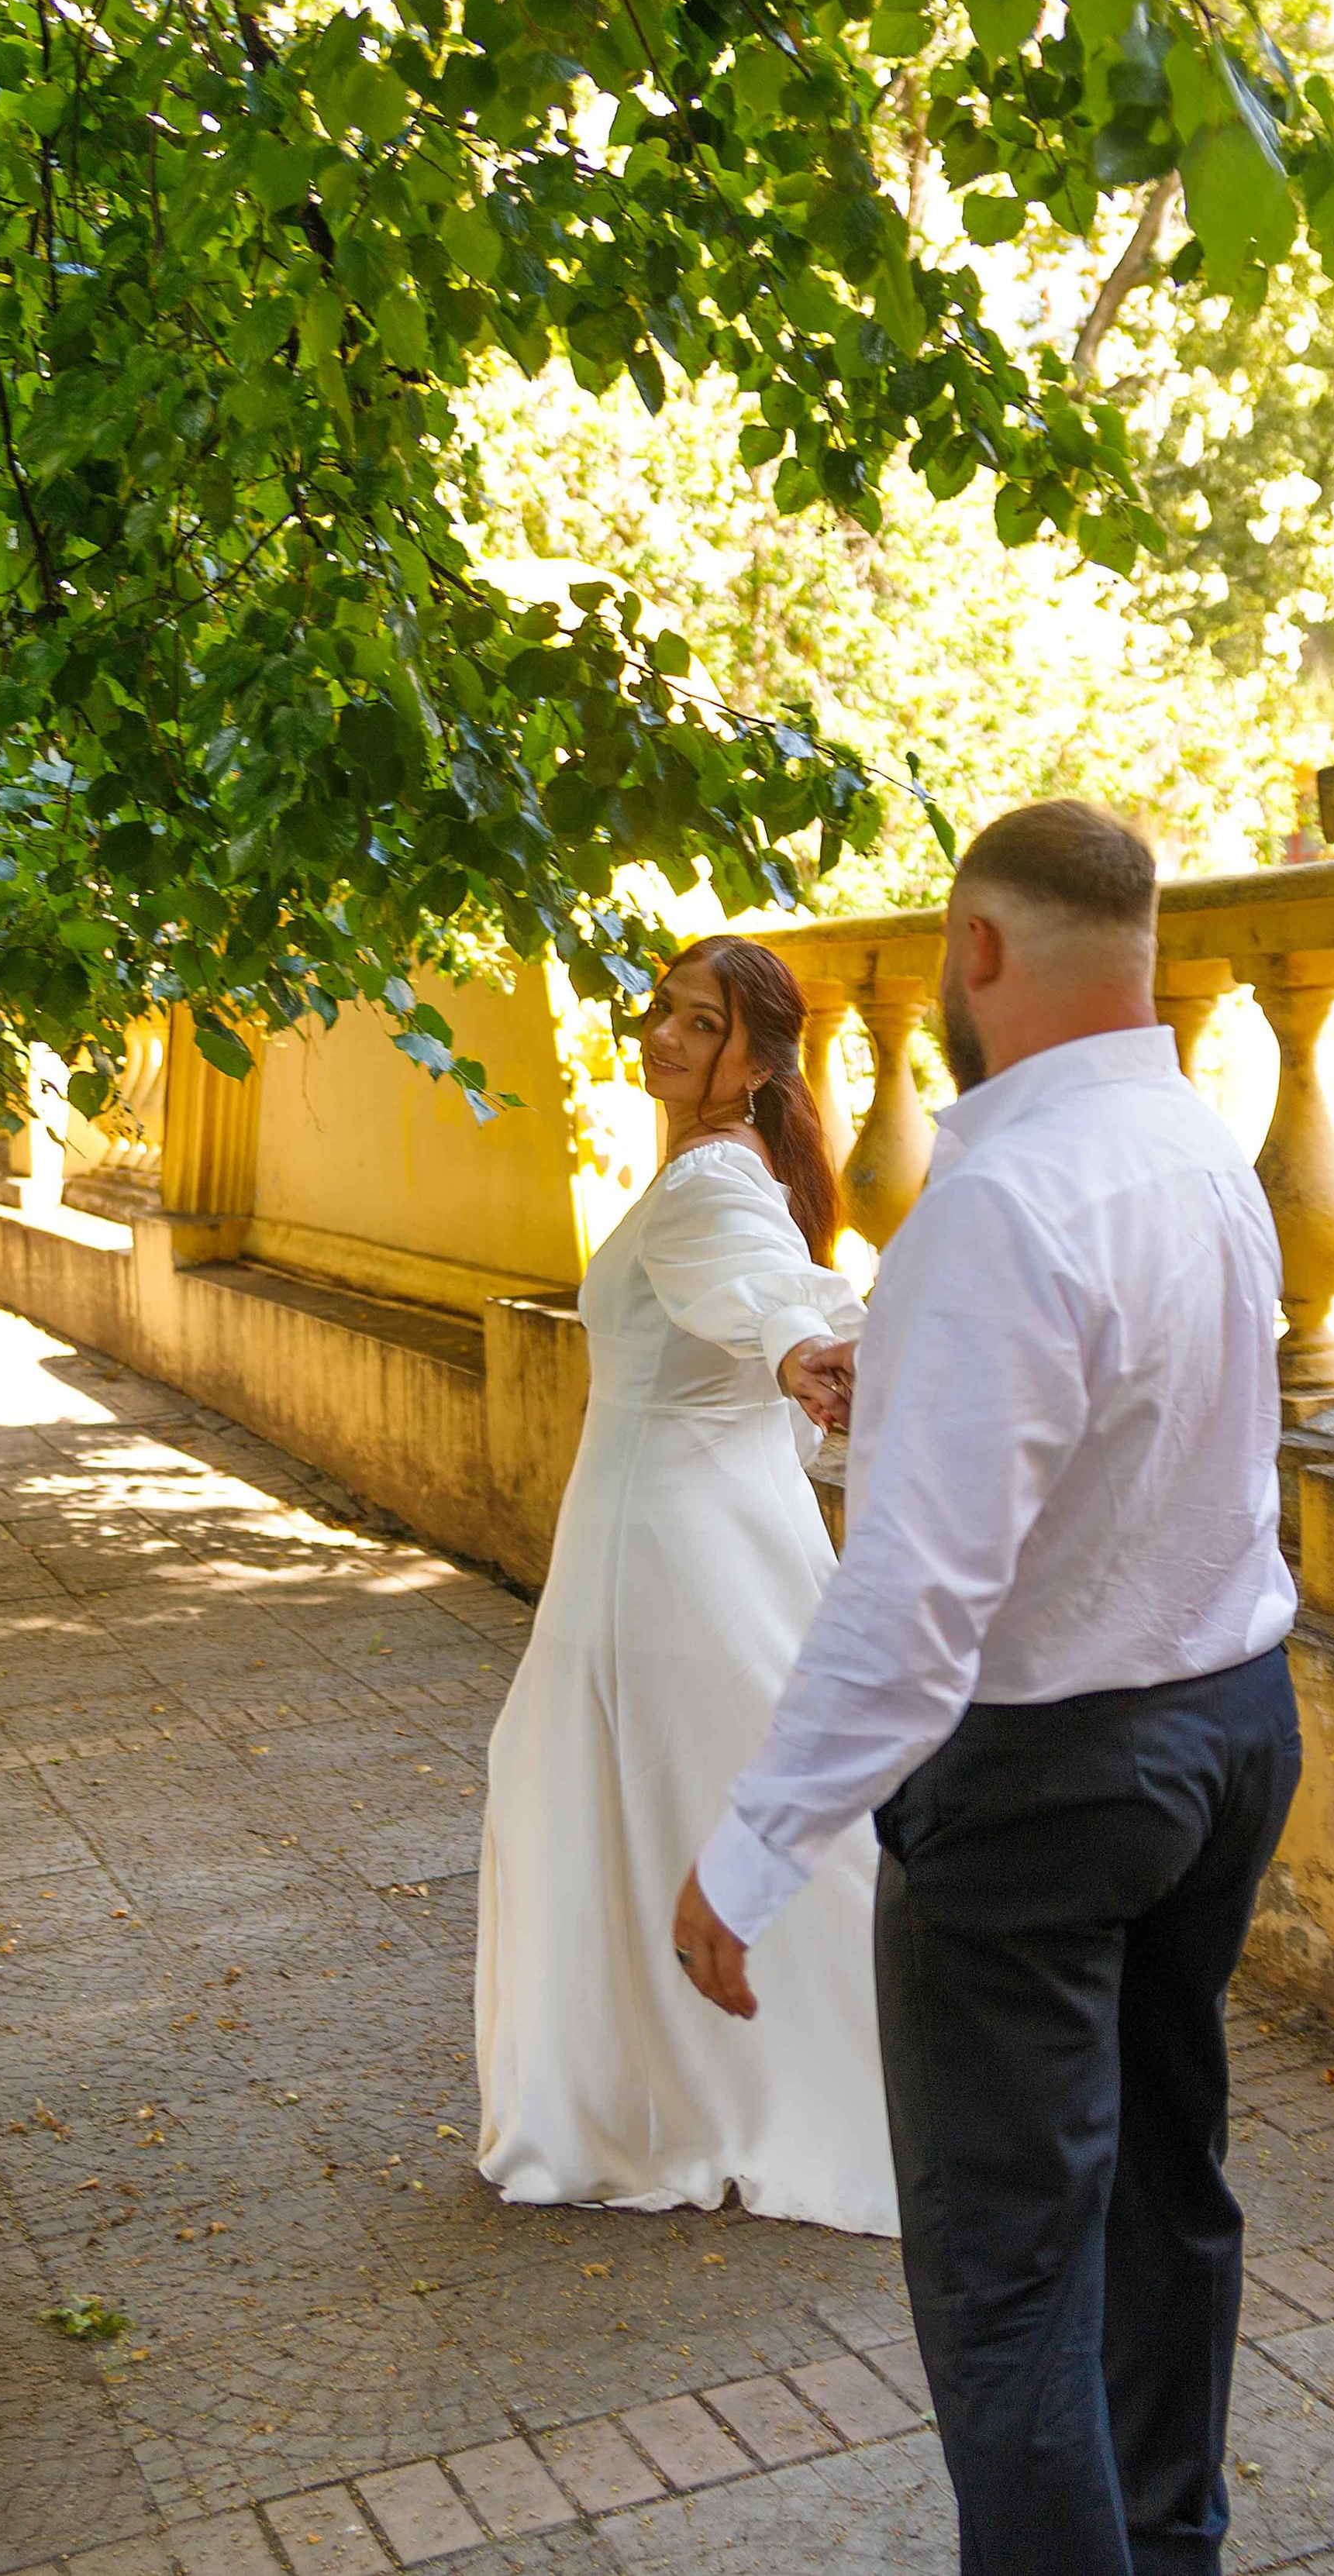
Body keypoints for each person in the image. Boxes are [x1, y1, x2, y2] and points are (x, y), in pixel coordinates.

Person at [674, 802, 1301, 2574]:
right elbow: (1156, 1427)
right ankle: (1166, 2544)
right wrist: (926, 1380)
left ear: (975, 953)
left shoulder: (999, 1195)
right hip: (1230, 1727)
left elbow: (914, 1600)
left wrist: (752, 1843)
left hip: (1038, 1779)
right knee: (1165, 2195)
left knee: (1004, 2259)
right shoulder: (1198, 1150)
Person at [474, 935, 897, 2235]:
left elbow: (756, 1290)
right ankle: (697, 2091)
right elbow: (759, 1289)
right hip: (679, 1534)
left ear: (760, 1058)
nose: (661, 1033)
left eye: (698, 1020)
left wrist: (797, 1350)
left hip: (661, 1555)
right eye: (662, 1009)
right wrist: (792, 1346)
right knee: (678, 1800)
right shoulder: (718, 1169)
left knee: (669, 1801)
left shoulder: (715, 1173)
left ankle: (731, 2104)